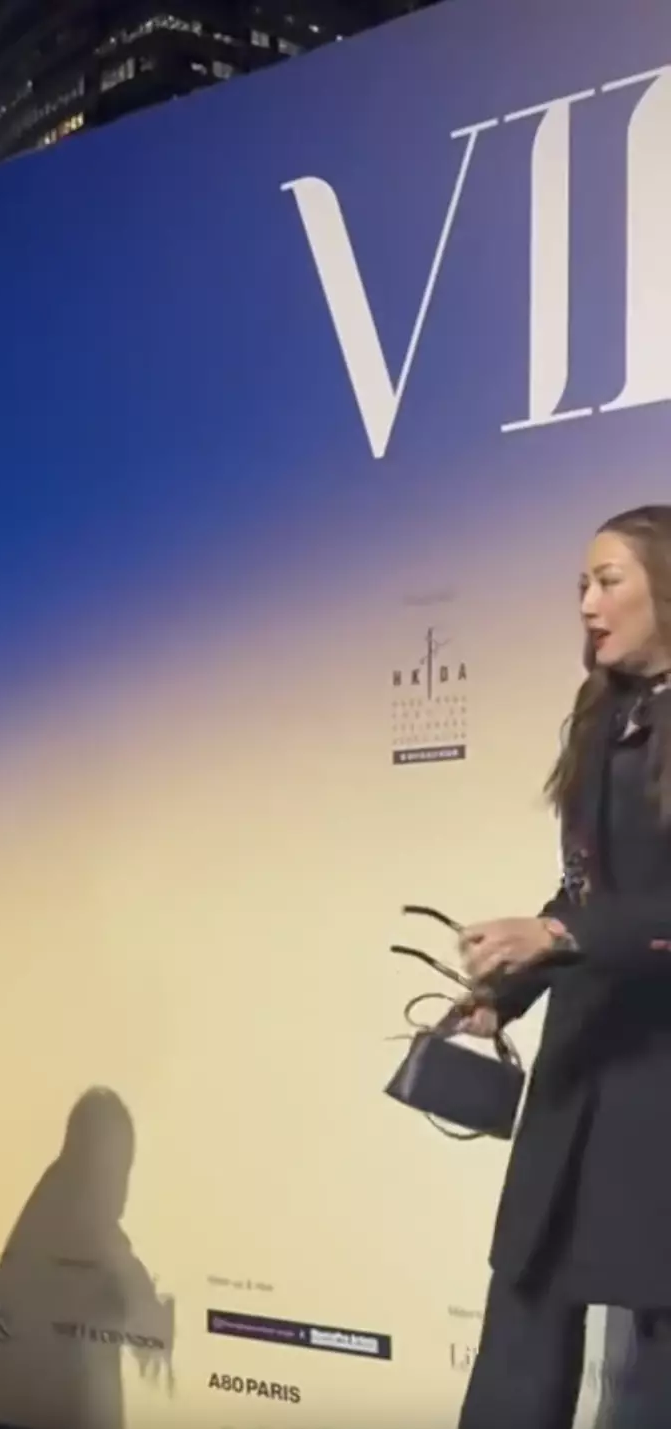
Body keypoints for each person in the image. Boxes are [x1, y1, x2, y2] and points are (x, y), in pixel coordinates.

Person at [452, 506, 670, 1429]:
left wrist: (559, 937)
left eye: (609, 581)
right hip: (581, 1063)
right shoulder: (601, 712)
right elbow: (582, 890)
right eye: (582, 584)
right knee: (524, 1302)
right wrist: (511, 984)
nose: (587, 603)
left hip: (659, 1073)